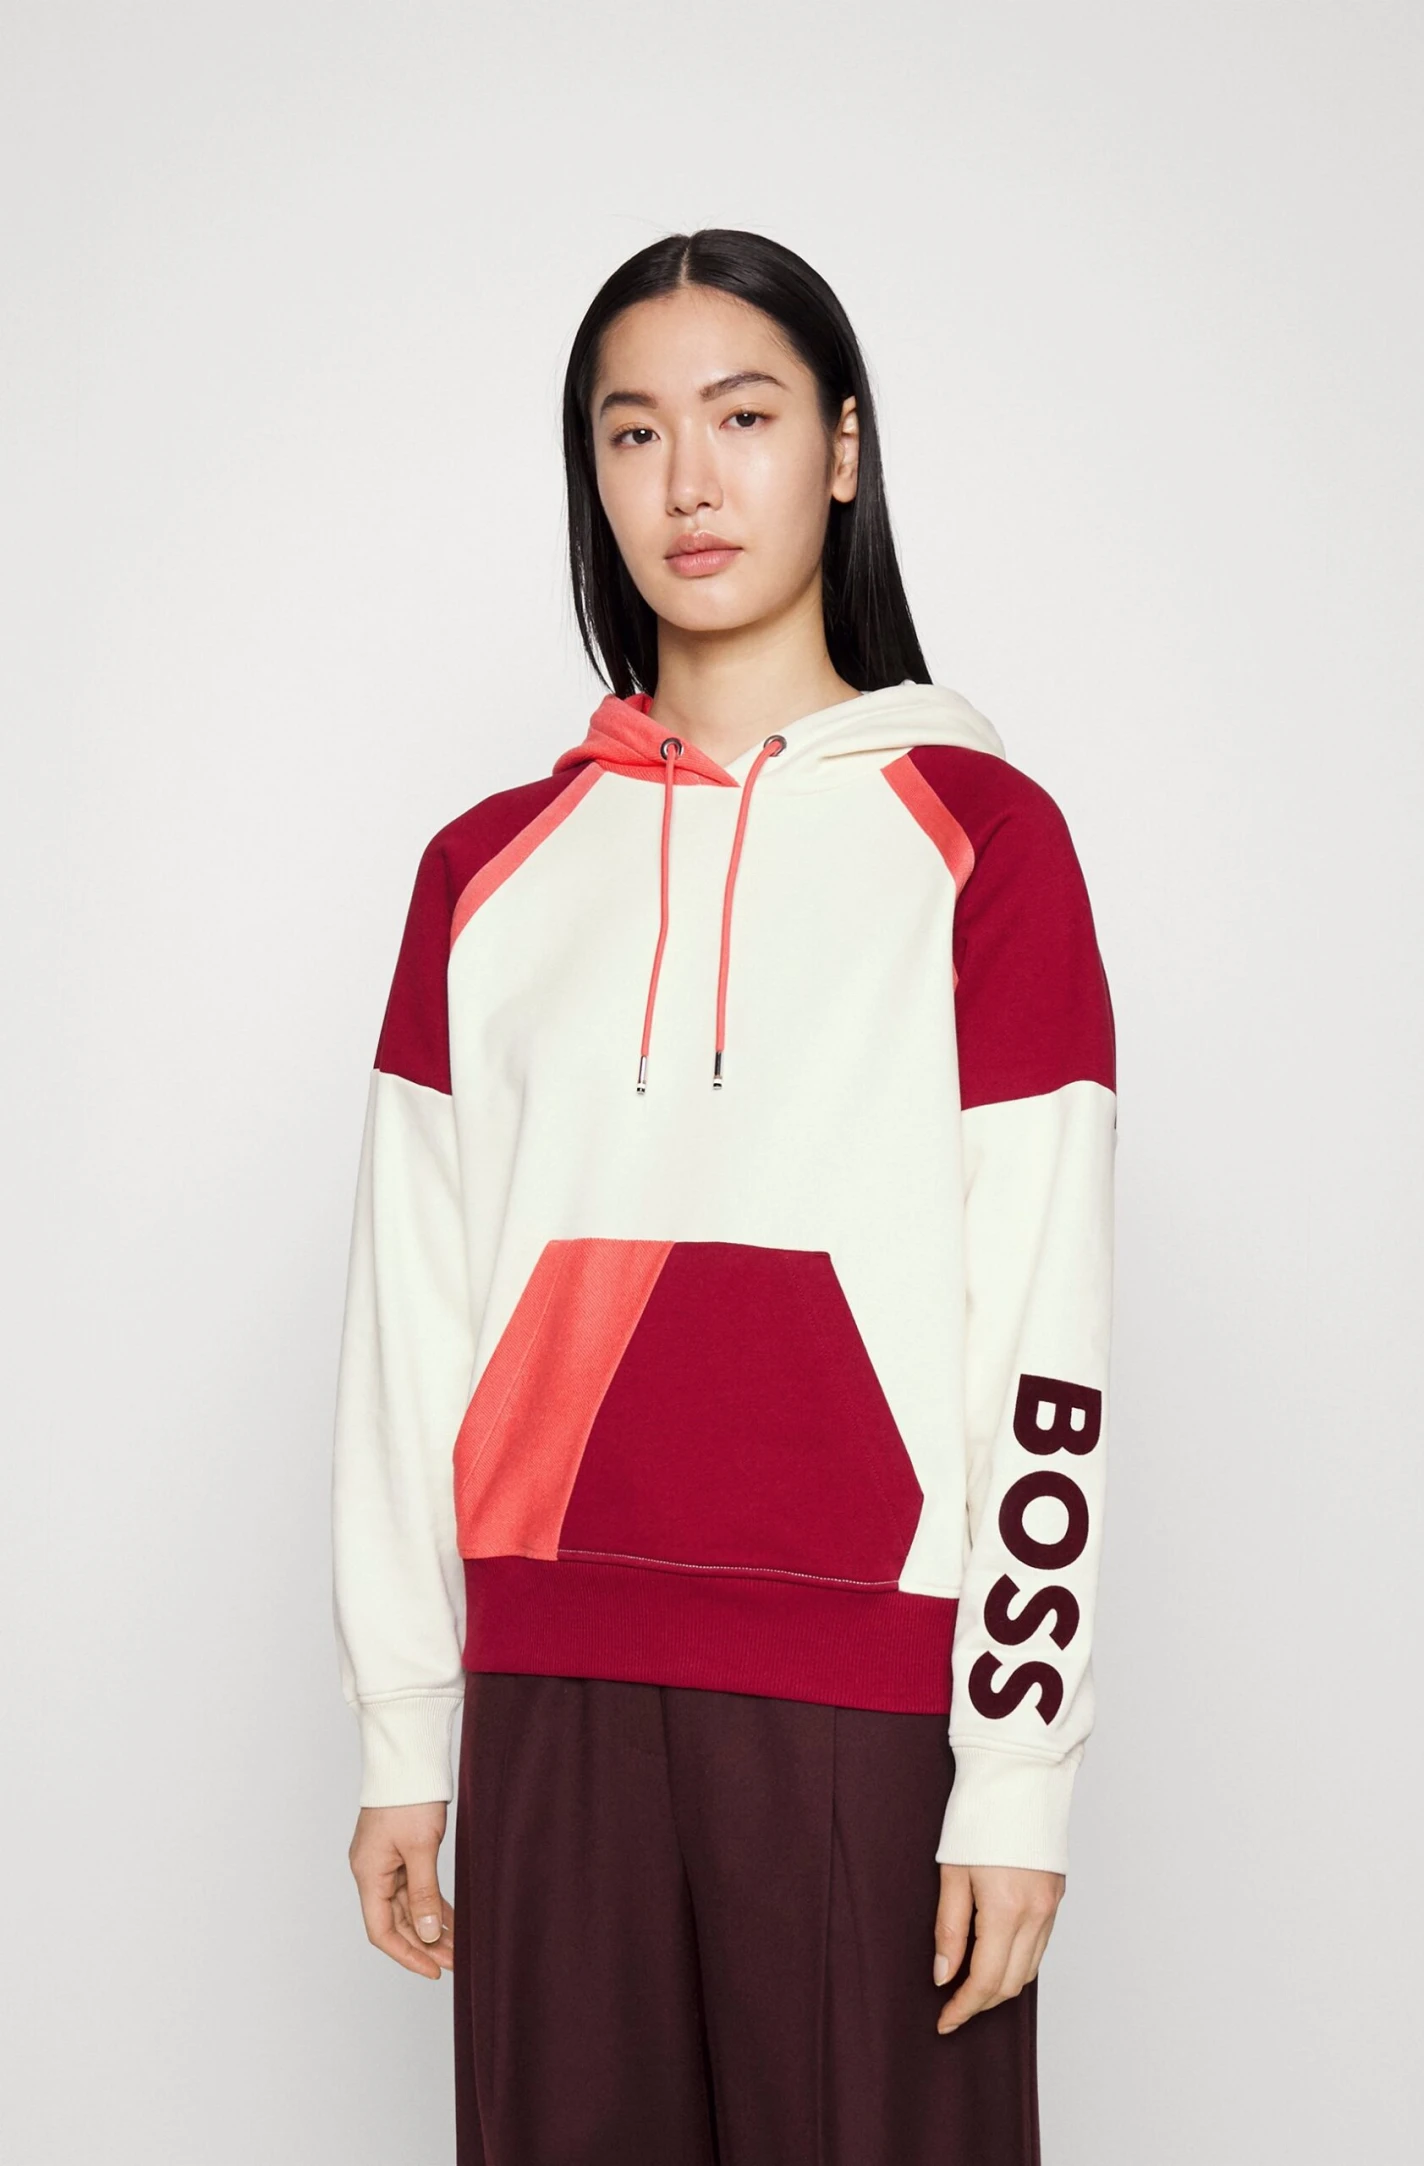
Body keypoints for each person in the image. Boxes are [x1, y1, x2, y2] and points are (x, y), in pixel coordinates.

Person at [331, 226, 1117, 2164]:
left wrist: (1016, 1770)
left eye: (744, 417)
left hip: (870, 1698)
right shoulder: (485, 874)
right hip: (552, 1688)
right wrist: (405, 1726)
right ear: (592, 476)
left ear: (841, 451)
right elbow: (407, 1320)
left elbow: (1046, 1319)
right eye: (633, 432)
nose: (688, 479)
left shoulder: (986, 842)